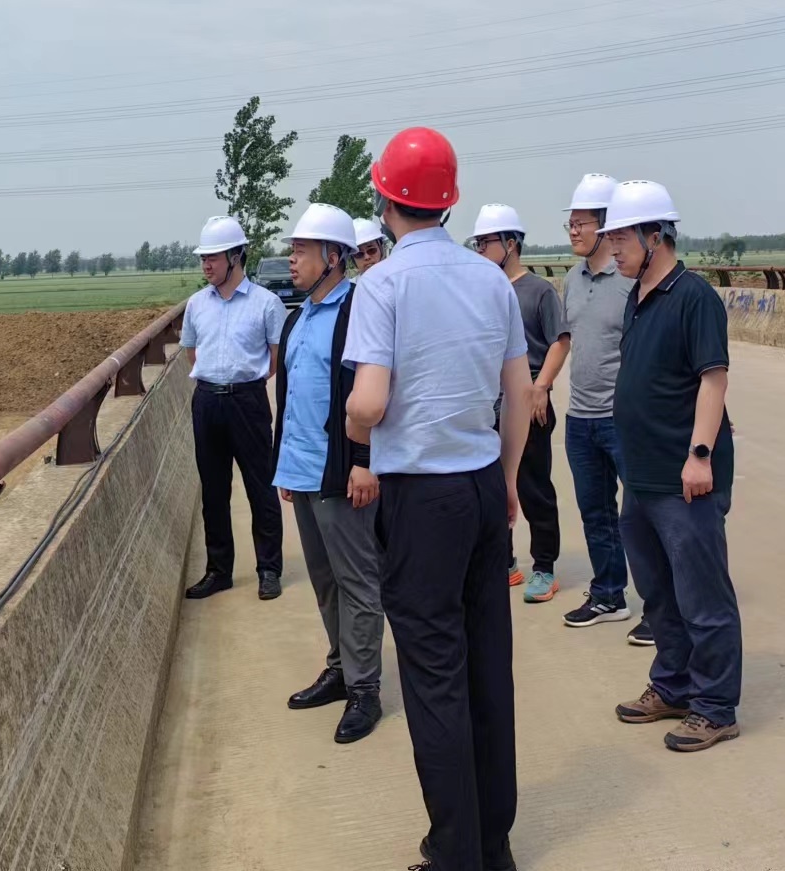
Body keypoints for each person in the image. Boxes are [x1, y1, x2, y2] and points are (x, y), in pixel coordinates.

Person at [344, 127, 531, 871]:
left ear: (385, 199)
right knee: (487, 667)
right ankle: (493, 841)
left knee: (434, 678)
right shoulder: (490, 279)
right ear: (448, 201)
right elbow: (518, 394)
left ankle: (456, 852)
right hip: (482, 483)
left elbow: (369, 400)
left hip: (421, 498)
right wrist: (507, 481)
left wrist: (356, 423)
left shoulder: (382, 285)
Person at [602, 180, 742, 754]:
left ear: (655, 235)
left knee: (703, 597)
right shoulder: (637, 297)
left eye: (621, 237)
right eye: (610, 237)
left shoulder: (693, 297)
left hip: (684, 477)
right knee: (658, 593)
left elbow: (713, 379)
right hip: (640, 475)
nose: (612, 248)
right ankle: (674, 686)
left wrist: (700, 454)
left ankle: (715, 707)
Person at [273, 203, 385, 745]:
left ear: (334, 257)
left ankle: (366, 690)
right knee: (324, 580)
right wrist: (284, 467)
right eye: (291, 250)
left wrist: (363, 462)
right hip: (303, 472)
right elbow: (290, 398)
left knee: (357, 581)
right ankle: (341, 668)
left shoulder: (358, 312)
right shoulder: (297, 317)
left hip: (342, 472)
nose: (291, 260)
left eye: (301, 250)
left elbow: (372, 395)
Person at [556, 175, 652, 645]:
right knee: (595, 513)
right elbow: (568, 340)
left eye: (582, 223)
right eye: (570, 224)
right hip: (580, 417)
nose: (574, 231)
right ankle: (609, 595)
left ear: (607, 224)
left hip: (623, 419)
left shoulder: (631, 280)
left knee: (642, 516)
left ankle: (660, 608)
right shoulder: (572, 280)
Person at [179, 214, 287, 602]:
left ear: (236, 256)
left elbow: (275, 359)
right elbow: (193, 353)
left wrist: (242, 383)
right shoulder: (196, 305)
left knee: (261, 487)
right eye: (203, 258)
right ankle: (219, 570)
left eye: (213, 257)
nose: (206, 265)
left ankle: (269, 569)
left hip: (248, 402)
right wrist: (215, 381)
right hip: (207, 401)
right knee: (213, 490)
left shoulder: (266, 304)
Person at [470, 203, 568, 604]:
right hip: (490, 401)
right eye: (476, 244)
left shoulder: (538, 291)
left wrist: (540, 387)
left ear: (511, 243)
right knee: (493, 485)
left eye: (485, 242)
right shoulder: (484, 290)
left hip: (528, 398)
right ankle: (505, 561)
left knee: (532, 486)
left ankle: (544, 566)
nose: (480, 250)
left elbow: (560, 341)